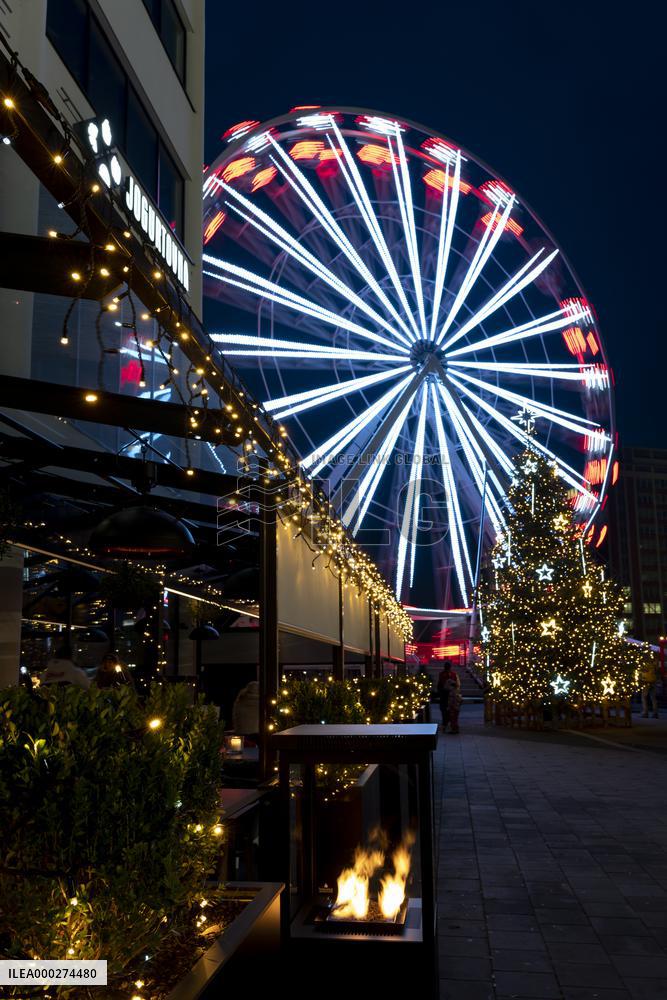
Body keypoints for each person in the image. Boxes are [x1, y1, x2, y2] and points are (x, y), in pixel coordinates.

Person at [437, 661, 456, 730]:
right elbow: (440, 684)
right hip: (444, 694)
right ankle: (445, 723)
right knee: (444, 709)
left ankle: (448, 722)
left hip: (450, 694)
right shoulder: (442, 674)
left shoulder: (453, 674)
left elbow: (456, 683)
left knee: (448, 709)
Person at [447, 668, 462, 734]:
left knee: (453, 718)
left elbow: (452, 700)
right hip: (456, 706)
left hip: (453, 706)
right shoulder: (456, 691)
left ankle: (454, 729)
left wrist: (450, 706)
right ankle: (455, 728)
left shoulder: (452, 692)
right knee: (455, 718)